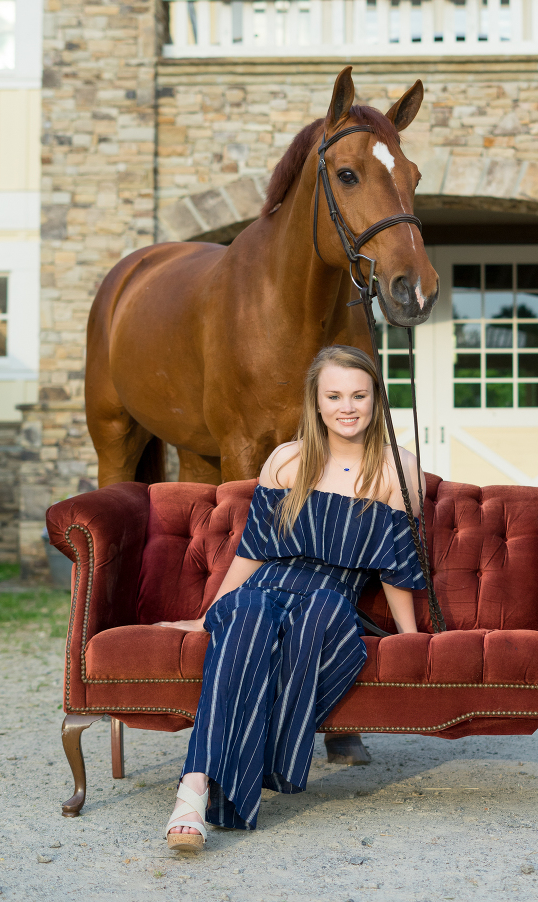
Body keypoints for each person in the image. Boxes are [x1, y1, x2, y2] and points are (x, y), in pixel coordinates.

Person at [158, 344, 427, 849]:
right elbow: (253, 549)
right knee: (247, 615)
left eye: (359, 395)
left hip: (329, 600)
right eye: (335, 396)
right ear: (317, 403)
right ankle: (191, 795)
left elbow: (396, 564)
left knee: (317, 610)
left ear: (375, 400)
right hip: (265, 589)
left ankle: (217, 781)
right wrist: (207, 615)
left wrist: (411, 637)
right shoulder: (288, 460)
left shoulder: (397, 469)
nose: (347, 406)